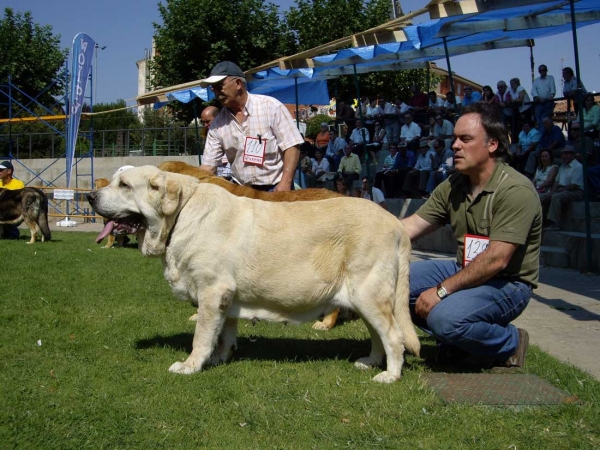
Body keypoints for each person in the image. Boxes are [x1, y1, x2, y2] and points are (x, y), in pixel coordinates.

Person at [400, 102, 541, 368]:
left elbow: (497, 259)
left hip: (508, 283)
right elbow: (408, 228)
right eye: (454, 138)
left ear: (493, 145)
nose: (454, 146)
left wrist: (441, 291)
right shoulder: (454, 184)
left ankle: (510, 341)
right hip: (464, 268)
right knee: (390, 282)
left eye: (465, 139)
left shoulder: (515, 190)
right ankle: (457, 341)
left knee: (445, 319)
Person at [198, 61, 304, 192]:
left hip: (276, 189)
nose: (217, 92)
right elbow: (208, 166)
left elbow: (292, 146)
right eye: (213, 88)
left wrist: (285, 183)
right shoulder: (217, 125)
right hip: (243, 193)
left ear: (238, 84)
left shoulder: (271, 107)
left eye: (220, 86)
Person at [540, 145, 584, 231]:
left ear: (573, 155)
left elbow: (574, 185)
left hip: (575, 191)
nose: (564, 156)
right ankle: (541, 221)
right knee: (541, 197)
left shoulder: (578, 166)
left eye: (567, 154)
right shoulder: (562, 166)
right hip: (562, 190)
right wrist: (551, 192)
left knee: (556, 197)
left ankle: (554, 223)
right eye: (563, 154)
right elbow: (556, 181)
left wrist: (559, 191)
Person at [0, 160, 26, 239]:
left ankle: (13, 234)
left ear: (9, 171)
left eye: (1, 170)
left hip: (15, 213)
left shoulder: (19, 184)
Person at [531, 65, 556, 129]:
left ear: (546, 70)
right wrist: (538, 98)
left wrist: (551, 96)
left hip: (548, 101)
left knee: (546, 119)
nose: (542, 71)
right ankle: (542, 135)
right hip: (539, 102)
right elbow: (533, 91)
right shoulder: (536, 81)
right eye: (540, 70)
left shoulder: (550, 78)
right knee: (539, 120)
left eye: (543, 70)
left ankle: (546, 134)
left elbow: (553, 88)